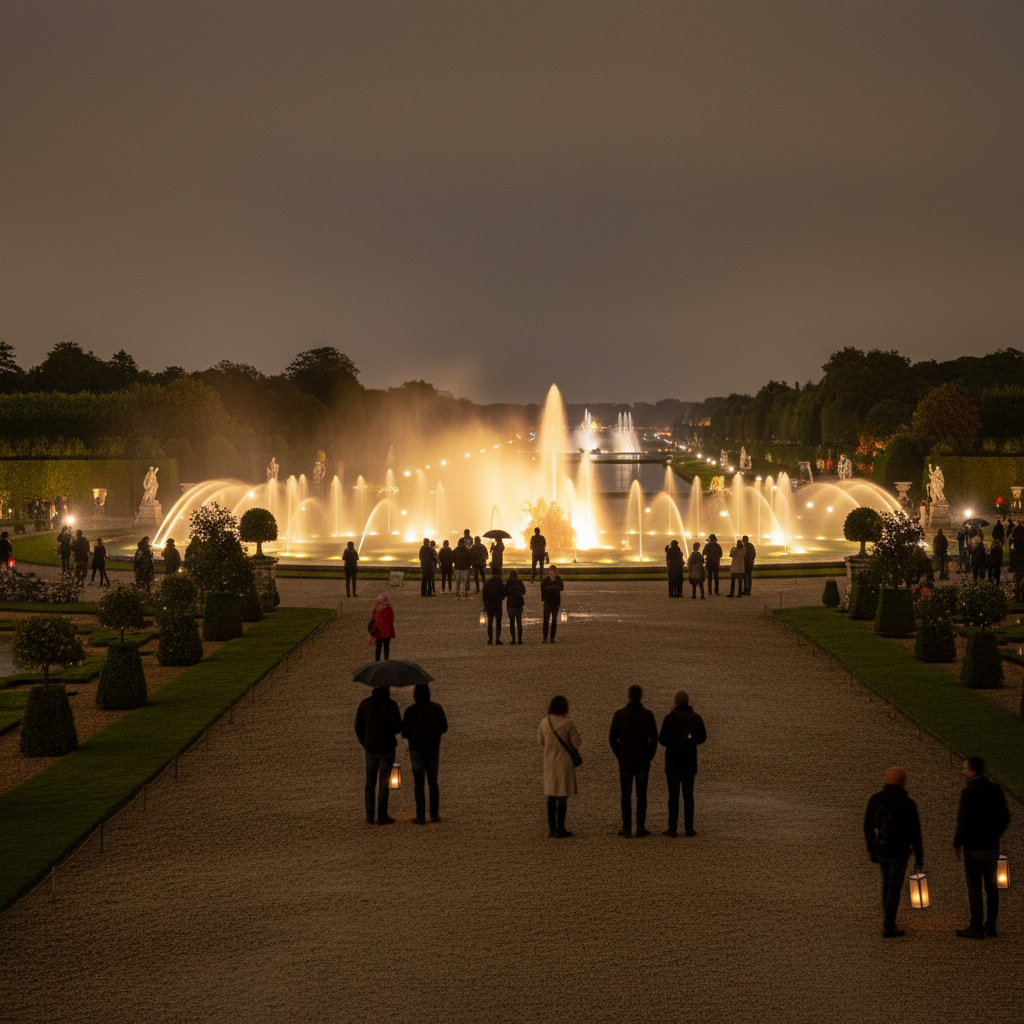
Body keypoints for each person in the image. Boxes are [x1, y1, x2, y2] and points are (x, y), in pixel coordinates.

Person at [953, 756, 1011, 939]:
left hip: (974, 847)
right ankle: (991, 926)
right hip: (991, 845)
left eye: (965, 769)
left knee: (975, 887)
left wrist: (957, 844)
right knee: (992, 887)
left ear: (971, 771)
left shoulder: (969, 792)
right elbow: (1005, 816)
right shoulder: (995, 789)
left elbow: (963, 822)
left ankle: (976, 926)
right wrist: (997, 833)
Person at [863, 766, 924, 938]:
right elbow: (915, 832)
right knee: (893, 888)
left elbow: (867, 825)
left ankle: (888, 919)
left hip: (881, 849)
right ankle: (889, 925)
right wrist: (919, 857)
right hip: (899, 852)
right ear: (903, 782)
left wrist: (872, 850)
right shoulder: (907, 804)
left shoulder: (876, 799)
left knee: (886, 885)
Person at [609, 684, 659, 837]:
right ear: (641, 696)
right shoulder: (647, 715)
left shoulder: (620, 714)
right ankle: (640, 827)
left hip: (625, 759)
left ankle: (627, 828)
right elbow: (654, 739)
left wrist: (620, 754)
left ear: (629, 696)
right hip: (642, 760)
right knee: (641, 795)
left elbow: (612, 738)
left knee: (626, 795)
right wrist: (649, 755)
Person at [659, 690, 707, 837]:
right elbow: (702, 737)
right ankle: (689, 828)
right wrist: (691, 742)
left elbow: (662, 740)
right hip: (689, 762)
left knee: (673, 797)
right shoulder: (696, 718)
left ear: (675, 702)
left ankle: (672, 828)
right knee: (688, 796)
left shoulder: (669, 718)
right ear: (687, 702)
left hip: (673, 762)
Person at [401, 683, 448, 824]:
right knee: (433, 782)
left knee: (419, 783)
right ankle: (434, 814)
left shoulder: (411, 711)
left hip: (416, 750)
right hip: (433, 748)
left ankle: (420, 815)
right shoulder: (437, 708)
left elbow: (405, 733)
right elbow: (444, 728)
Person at [355, 686, 402, 825]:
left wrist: (365, 743)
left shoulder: (365, 704)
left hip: (370, 748)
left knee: (370, 782)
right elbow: (397, 727)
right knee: (383, 783)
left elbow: (358, 727)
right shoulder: (391, 705)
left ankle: (370, 816)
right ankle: (382, 816)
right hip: (386, 748)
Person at [539, 695, 580, 838]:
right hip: (564, 763)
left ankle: (551, 829)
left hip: (550, 763)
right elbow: (577, 742)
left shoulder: (545, 721)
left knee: (551, 796)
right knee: (562, 796)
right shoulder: (568, 723)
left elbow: (541, 740)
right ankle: (561, 828)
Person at [540, 563, 564, 643]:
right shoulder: (546, 580)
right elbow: (542, 589)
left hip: (555, 602)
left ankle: (551, 638)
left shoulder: (557, 579)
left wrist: (552, 587)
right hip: (548, 602)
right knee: (546, 620)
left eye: (554, 572)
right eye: (551, 571)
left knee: (554, 620)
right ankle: (545, 637)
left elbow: (562, 587)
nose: (552, 573)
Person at [482, 569, 505, 645]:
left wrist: (485, 603)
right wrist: (501, 598)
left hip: (489, 604)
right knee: (498, 623)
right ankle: (497, 639)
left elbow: (484, 594)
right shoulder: (499, 582)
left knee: (490, 622)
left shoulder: (488, 582)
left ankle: (490, 639)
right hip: (497, 604)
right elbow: (503, 593)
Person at [370, 593, 395, 661]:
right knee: (386, 647)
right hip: (387, 631)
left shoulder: (376, 608)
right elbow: (391, 618)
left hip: (378, 631)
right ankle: (386, 660)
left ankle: (377, 661)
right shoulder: (388, 609)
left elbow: (373, 619)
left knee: (378, 647)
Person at [505, 568, 526, 643]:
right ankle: (518, 639)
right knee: (518, 622)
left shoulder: (509, 582)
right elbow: (523, 592)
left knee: (513, 622)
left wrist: (511, 590)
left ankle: (514, 639)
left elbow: (505, 593)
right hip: (517, 604)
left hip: (511, 605)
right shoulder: (519, 582)